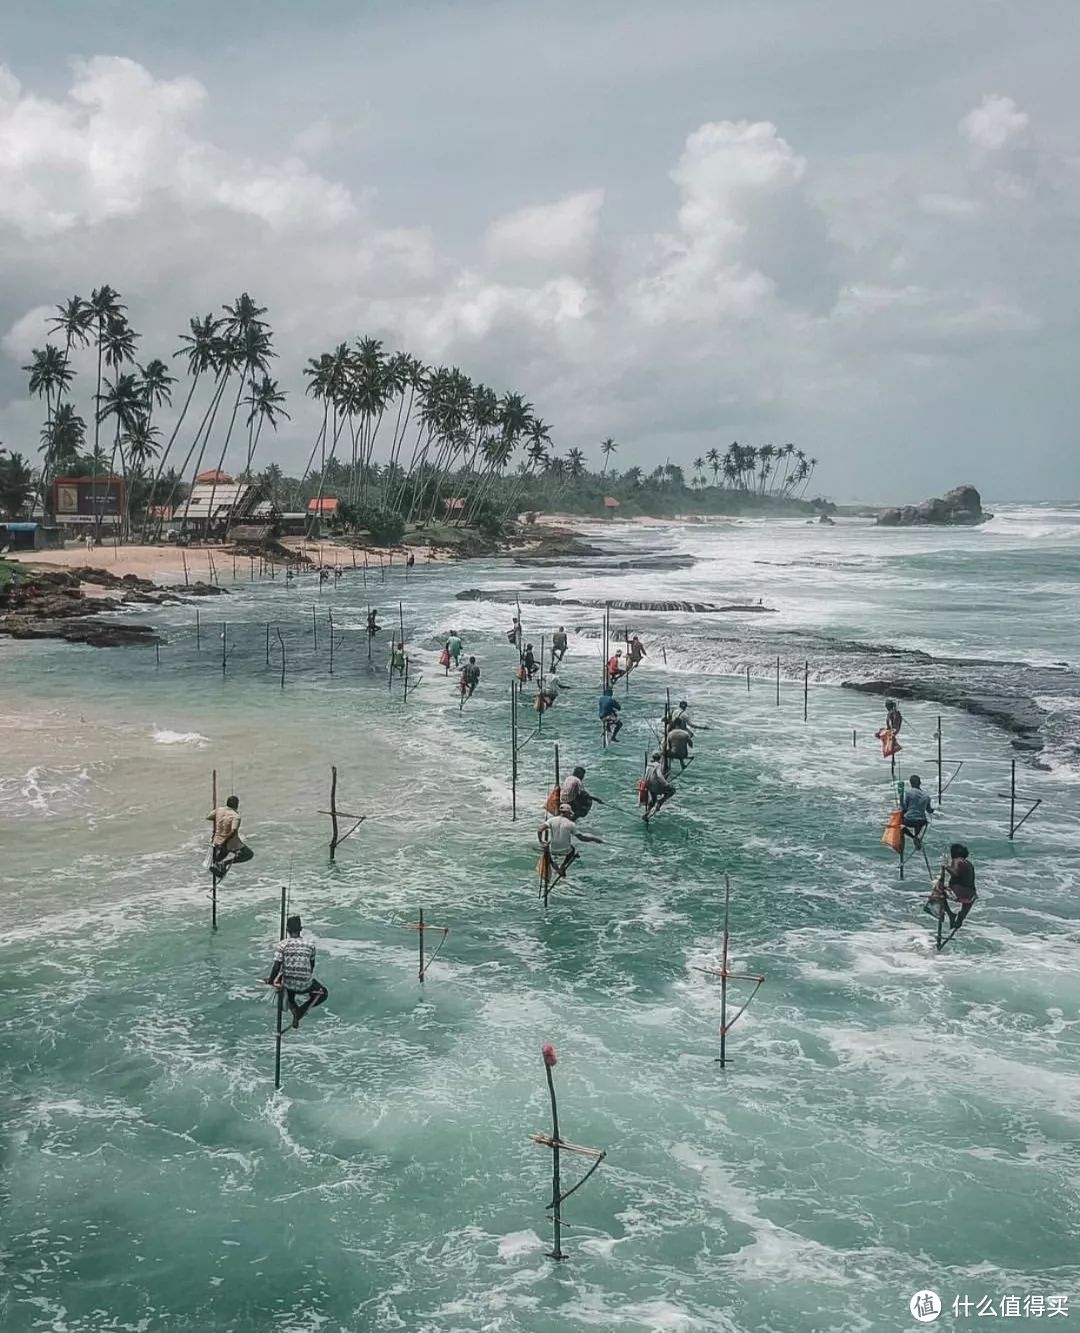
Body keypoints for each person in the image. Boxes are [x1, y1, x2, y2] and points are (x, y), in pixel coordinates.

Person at [265, 915, 328, 1030]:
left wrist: (270, 981)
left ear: (287, 931)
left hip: (289, 984)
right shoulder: (310, 945)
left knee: (288, 991)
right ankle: (301, 1011)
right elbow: (311, 966)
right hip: (305, 984)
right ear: (301, 929)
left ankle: (295, 1009)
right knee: (323, 993)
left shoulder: (282, 944)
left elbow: (276, 966)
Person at [537, 802, 604, 883]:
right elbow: (581, 838)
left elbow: (539, 830)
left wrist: (541, 842)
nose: (571, 815)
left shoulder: (551, 820)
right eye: (570, 814)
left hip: (553, 850)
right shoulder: (571, 824)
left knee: (546, 849)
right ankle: (563, 865)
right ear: (568, 812)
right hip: (565, 851)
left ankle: (552, 864)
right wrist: (594, 839)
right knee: (572, 850)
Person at [924, 843, 977, 933]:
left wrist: (946, 866)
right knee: (966, 905)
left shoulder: (957, 860)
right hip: (972, 895)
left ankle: (950, 914)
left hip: (959, 893)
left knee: (937, 889)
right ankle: (960, 917)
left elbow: (955, 873)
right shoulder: (968, 864)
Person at [206, 794, 254, 879]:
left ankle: (217, 866)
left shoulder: (219, 810)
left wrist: (219, 818)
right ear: (237, 805)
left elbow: (209, 817)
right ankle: (224, 863)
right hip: (230, 843)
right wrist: (224, 842)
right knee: (248, 854)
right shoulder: (235, 816)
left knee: (222, 853)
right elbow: (233, 830)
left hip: (216, 841)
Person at [900, 775, 934, 849]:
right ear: (920, 783)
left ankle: (913, 837)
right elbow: (929, 810)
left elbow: (904, 808)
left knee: (899, 826)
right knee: (917, 823)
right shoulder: (926, 796)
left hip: (909, 820)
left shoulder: (908, 792)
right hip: (922, 821)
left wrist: (901, 798)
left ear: (911, 783)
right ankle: (916, 838)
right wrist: (933, 810)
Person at [642, 751, 676, 818]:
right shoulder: (658, 765)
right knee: (672, 790)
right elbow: (659, 776)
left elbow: (647, 775)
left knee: (653, 800)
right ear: (659, 758)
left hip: (649, 786)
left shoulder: (649, 764)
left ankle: (647, 812)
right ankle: (661, 801)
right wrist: (667, 784)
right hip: (656, 787)